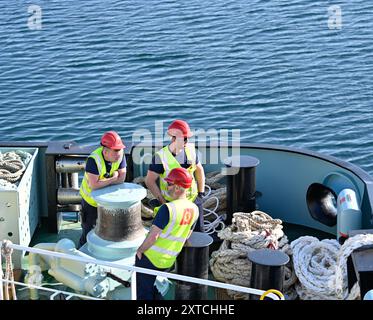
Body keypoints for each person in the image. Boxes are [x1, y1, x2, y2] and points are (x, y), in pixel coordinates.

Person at [135, 167, 199, 300]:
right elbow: (187, 235)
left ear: (177, 188)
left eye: (169, 184)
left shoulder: (167, 209)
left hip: (151, 259)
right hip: (168, 262)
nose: (166, 186)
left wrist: (140, 250)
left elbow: (154, 236)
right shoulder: (195, 209)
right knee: (150, 286)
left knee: (142, 292)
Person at [145, 119, 206, 232]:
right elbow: (149, 181)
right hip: (172, 203)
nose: (186, 142)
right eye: (184, 139)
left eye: (187, 139)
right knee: (174, 233)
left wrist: (201, 194)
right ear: (173, 139)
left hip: (192, 200)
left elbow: (199, 170)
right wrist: (162, 201)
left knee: (198, 232)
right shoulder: (160, 157)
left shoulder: (191, 150)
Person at [78, 131, 127, 247]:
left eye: (120, 150)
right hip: (92, 203)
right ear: (105, 151)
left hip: (108, 203)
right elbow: (93, 185)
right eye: (115, 151)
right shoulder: (93, 160)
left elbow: (122, 179)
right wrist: (113, 178)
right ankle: (82, 251)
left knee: (108, 231)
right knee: (89, 230)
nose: (119, 154)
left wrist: (104, 182)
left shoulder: (120, 155)